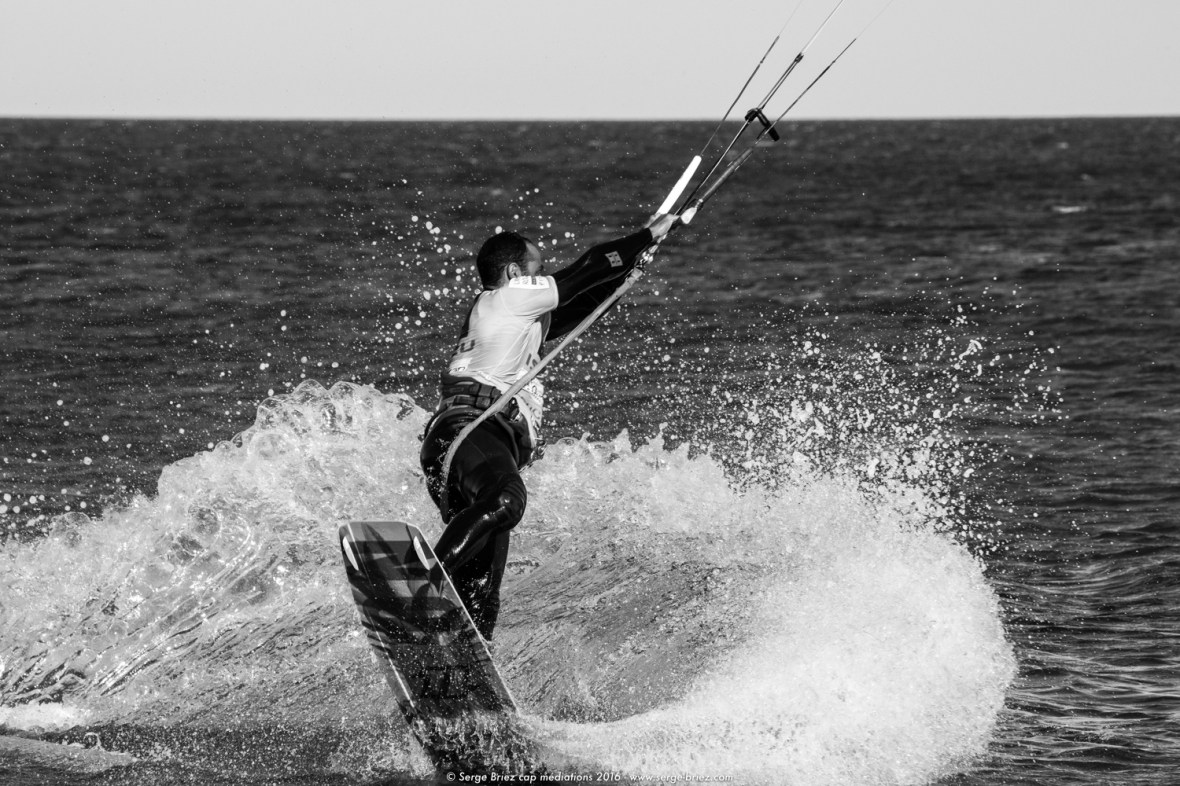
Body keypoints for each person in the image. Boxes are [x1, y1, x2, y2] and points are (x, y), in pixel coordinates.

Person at [419, 213, 678, 640]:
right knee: (506, 500)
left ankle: (457, 672)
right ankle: (423, 585)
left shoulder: (507, 318)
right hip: (475, 432)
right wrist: (649, 234)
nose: (545, 274)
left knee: (482, 595)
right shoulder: (509, 297)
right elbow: (587, 268)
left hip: (458, 444)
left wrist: (632, 266)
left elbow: (583, 304)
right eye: (539, 268)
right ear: (514, 273)